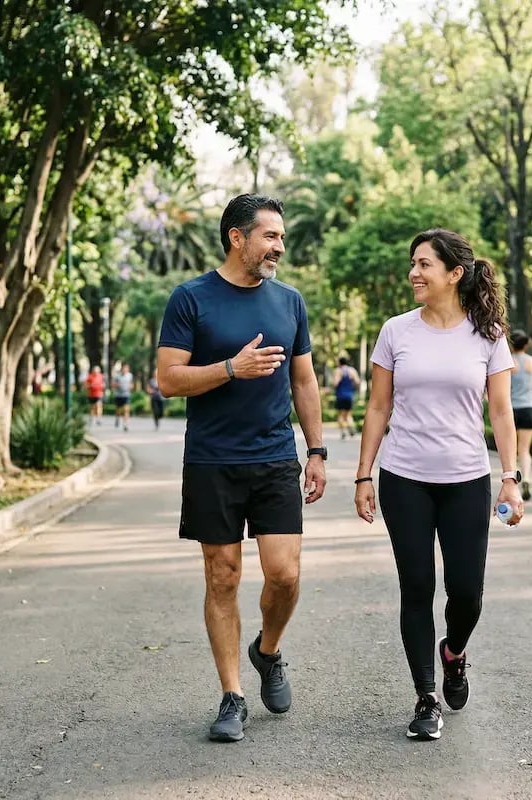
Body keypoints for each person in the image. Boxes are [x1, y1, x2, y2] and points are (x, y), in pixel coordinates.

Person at [156, 193, 326, 744]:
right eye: (271, 236)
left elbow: (303, 380)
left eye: (280, 236)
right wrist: (232, 368)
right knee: (222, 575)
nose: (280, 245)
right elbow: (168, 380)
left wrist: (317, 450)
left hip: (275, 456)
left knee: (285, 573)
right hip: (212, 460)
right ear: (238, 237)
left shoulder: (290, 302)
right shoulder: (190, 299)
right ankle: (232, 696)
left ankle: (268, 650)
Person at [354, 228, 522, 741]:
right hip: (404, 477)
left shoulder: (488, 334)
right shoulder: (395, 331)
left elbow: (500, 409)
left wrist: (510, 479)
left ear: (454, 273)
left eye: (424, 264)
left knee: (467, 592)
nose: (414, 273)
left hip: (466, 479)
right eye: (413, 263)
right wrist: (364, 473)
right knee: (416, 587)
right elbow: (379, 406)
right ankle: (426, 698)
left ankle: (454, 652)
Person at [509, 331, 532, 501]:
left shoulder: (507, 361)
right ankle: (528, 478)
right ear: (526, 345)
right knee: (525, 449)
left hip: (510, 410)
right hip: (528, 408)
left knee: (511, 450)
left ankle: (514, 483)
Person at [332, 355, 360, 439]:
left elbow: (335, 383)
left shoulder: (338, 371)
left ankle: (343, 432)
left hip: (340, 395)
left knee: (340, 414)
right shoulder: (352, 371)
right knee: (348, 414)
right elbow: (357, 382)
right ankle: (352, 429)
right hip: (349, 395)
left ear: (339, 363)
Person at [112, 363, 133, 431]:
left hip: (126, 395)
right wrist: (117, 385)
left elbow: (131, 384)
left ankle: (125, 424)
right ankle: (117, 418)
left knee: (126, 410)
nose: (125, 370)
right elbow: (113, 385)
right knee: (118, 410)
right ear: (122, 369)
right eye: (124, 368)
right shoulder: (117, 376)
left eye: (127, 368)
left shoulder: (130, 376)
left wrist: (131, 387)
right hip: (118, 395)